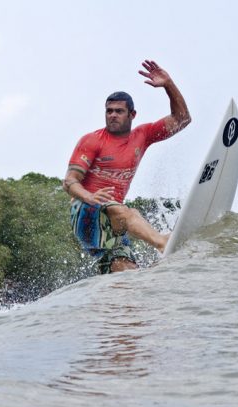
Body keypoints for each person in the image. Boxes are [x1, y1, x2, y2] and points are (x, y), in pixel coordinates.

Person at [63, 60, 191, 274]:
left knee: (126, 273)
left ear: (132, 115)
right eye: (109, 111)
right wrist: (89, 197)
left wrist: (169, 85)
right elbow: (69, 181)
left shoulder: (142, 136)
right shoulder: (92, 141)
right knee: (128, 212)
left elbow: (183, 119)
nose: (112, 115)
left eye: (119, 111)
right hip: (85, 212)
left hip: (114, 221)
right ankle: (163, 243)